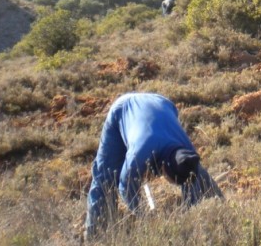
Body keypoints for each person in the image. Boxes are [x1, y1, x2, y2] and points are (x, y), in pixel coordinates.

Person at [84, 93, 223, 239]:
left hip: (163, 104)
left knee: (195, 175)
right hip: (124, 108)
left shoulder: (187, 150)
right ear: (164, 167)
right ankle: (95, 234)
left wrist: (204, 212)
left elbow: (195, 177)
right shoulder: (140, 152)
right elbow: (125, 185)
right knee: (106, 177)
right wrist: (143, 213)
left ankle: (221, 210)